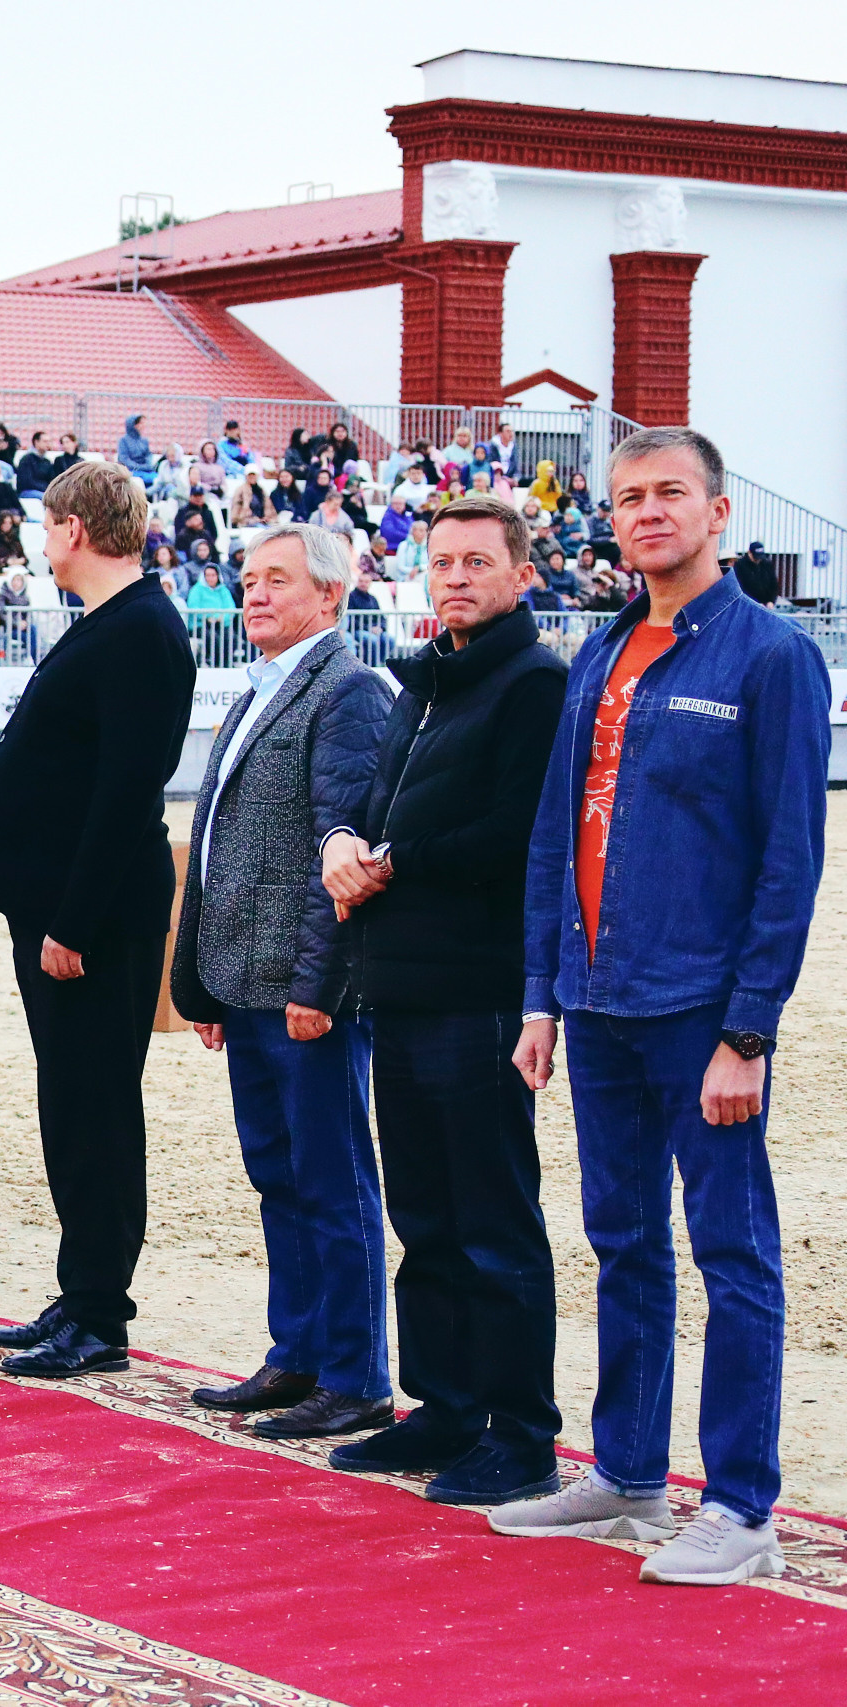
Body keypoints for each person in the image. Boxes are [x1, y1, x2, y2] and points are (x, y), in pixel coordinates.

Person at [493, 427, 829, 1587]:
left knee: (731, 1252)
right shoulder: (597, 650)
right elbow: (555, 836)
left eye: (669, 493)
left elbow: (788, 861)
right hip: (597, 1001)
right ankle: (629, 1474)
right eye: (627, 496)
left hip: (700, 1008)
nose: (646, 512)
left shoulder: (771, 658)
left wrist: (747, 1031)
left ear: (716, 512)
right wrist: (541, 995)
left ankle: (740, 1506)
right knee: (622, 1241)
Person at [318, 494, 568, 1505]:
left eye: (477, 561)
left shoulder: (535, 683)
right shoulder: (420, 682)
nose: (456, 577)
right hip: (401, 981)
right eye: (442, 561)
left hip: (481, 987)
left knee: (492, 1219)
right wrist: (343, 842)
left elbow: (517, 835)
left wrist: (391, 860)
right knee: (423, 1213)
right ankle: (446, 1406)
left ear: (521, 574)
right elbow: (373, 806)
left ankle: (521, 1431)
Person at [0, 461, 195, 1378]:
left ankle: (101, 1314)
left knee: (95, 1109)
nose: (43, 542)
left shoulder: (141, 628)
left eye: (47, 526)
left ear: (72, 528)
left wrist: (74, 920)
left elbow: (127, 791)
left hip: (89, 921)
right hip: (59, 908)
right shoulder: (112, 622)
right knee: (71, 1105)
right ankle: (81, 1290)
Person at [171, 522, 394, 1438]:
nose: (253, 594)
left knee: (332, 1180)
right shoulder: (257, 689)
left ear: (330, 594)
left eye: (276, 579)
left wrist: (316, 987)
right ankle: (297, 1351)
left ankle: (355, 1373)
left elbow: (339, 858)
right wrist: (207, 984)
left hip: (305, 994)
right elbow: (220, 849)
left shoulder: (347, 691)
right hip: (248, 984)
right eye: (248, 579)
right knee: (279, 1175)